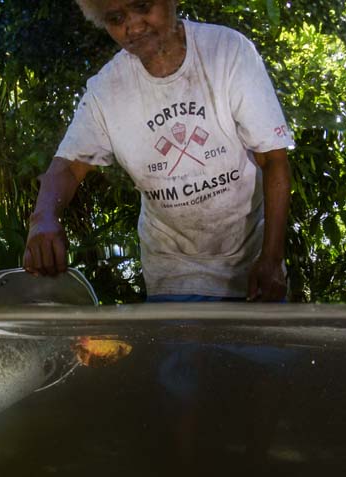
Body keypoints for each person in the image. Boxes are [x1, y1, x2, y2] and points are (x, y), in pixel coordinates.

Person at [23, 0, 295, 302]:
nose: (134, 26)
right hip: (173, 276)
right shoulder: (107, 91)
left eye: (142, 6)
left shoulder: (227, 51)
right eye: (116, 18)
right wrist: (44, 217)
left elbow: (273, 160)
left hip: (253, 266)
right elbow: (69, 167)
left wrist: (272, 258)